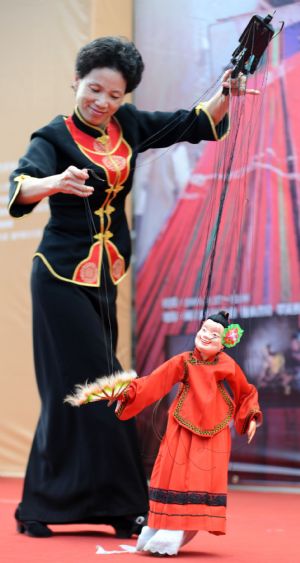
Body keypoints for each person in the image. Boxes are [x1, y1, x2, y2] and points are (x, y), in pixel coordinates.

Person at [8, 36, 256, 539]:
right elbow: (20, 186)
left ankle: (42, 504)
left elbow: (196, 120)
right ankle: (125, 503)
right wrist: (53, 182)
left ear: (124, 98)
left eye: (113, 94)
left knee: (74, 392)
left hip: (105, 278)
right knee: (100, 386)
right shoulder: (52, 136)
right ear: (75, 82)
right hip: (58, 277)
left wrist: (228, 90)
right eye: (93, 89)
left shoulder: (130, 126)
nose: (101, 101)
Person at [106, 311, 262, 556]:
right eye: (203, 330)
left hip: (214, 429)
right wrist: (127, 393)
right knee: (172, 472)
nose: (206, 336)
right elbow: (154, 381)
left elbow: (245, 391)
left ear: (225, 342)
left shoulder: (227, 365)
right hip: (182, 424)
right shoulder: (184, 361)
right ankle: (158, 524)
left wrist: (250, 415)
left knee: (201, 476)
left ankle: (177, 528)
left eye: (214, 334)